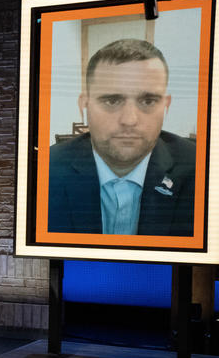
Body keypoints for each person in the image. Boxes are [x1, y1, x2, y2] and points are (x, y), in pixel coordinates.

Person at [48, 38, 195, 236]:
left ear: (166, 106)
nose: (129, 120)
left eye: (148, 100)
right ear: (84, 105)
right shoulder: (46, 169)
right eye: (112, 100)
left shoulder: (201, 169)